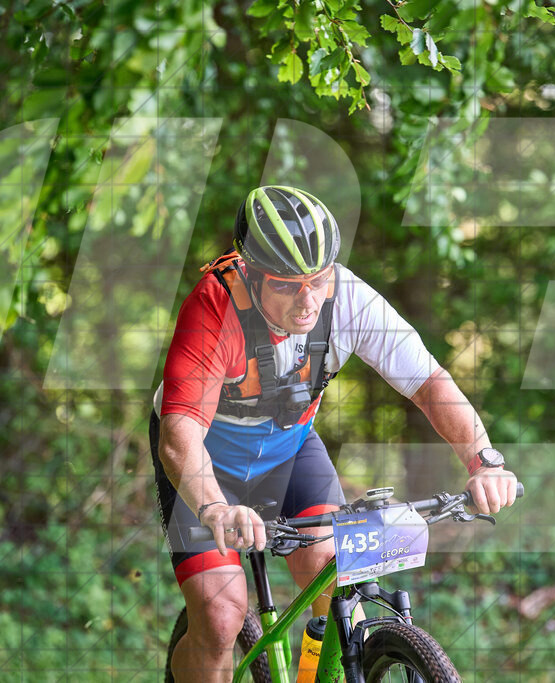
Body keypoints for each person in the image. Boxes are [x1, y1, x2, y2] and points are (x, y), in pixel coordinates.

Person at [150, 185, 518, 681]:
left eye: (318, 280)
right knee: (220, 616)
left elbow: (431, 384)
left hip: (288, 450)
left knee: (335, 578)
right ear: (252, 272)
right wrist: (215, 507)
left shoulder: (349, 299)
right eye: (286, 284)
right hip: (204, 462)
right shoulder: (214, 310)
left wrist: (484, 461)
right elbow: (180, 434)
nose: (307, 300)